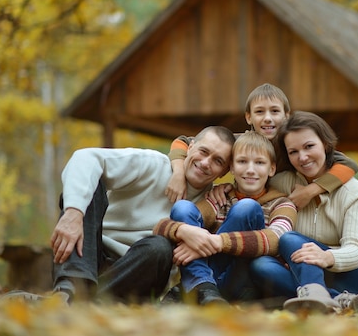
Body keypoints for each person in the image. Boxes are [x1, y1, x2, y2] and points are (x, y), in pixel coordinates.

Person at [45, 125, 235, 304]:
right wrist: (73, 212)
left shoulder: (212, 203)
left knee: (160, 247)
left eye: (218, 161)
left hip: (139, 272)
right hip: (90, 253)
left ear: (224, 171)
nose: (205, 163)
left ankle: (81, 303)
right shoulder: (153, 164)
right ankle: (70, 290)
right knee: (89, 184)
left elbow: (256, 142)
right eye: (203, 151)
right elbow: (85, 157)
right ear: (190, 146)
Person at [249, 111, 358, 313]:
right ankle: (337, 300)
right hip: (302, 275)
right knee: (261, 266)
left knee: (289, 239)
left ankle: (321, 295)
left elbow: (357, 250)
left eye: (309, 146)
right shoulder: (282, 183)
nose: (302, 157)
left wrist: (327, 257)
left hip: (350, 276)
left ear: (325, 145)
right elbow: (249, 178)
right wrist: (224, 189)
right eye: (293, 152)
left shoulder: (352, 190)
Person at [153, 131, 297, 305]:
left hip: (244, 281)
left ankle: (192, 288)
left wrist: (217, 242)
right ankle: (203, 287)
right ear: (232, 168)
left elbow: (276, 240)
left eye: (259, 163)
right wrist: (184, 231)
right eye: (242, 161)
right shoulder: (220, 198)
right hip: (214, 284)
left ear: (271, 168)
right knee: (183, 207)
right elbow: (162, 227)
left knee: (247, 207)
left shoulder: (282, 204)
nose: (250, 170)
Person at [165, 83, 358, 210]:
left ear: (286, 115)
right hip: (240, 204)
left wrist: (310, 192)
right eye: (260, 112)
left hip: (277, 207)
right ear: (249, 117)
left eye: (275, 111)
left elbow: (349, 165)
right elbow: (183, 141)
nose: (268, 118)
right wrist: (178, 173)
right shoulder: (240, 143)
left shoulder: (293, 146)